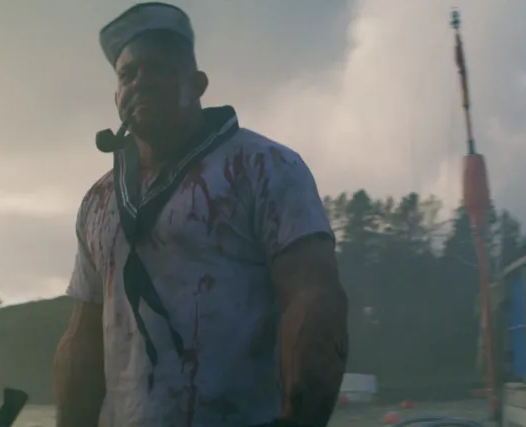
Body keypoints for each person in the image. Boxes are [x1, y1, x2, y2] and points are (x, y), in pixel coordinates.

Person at [52, 3, 349, 427]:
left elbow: (313, 299)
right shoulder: (99, 201)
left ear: (198, 84)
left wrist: (299, 418)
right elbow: (83, 336)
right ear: (116, 97)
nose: (141, 82)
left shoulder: (265, 168)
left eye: (158, 68)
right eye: (127, 74)